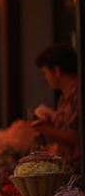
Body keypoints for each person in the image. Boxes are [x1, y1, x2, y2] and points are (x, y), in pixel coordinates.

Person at [32, 43, 81, 173]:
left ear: (57, 71)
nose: (45, 78)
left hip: (78, 172)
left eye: (46, 72)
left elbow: (78, 137)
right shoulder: (65, 95)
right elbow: (67, 127)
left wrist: (44, 129)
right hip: (68, 168)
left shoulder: (78, 94)